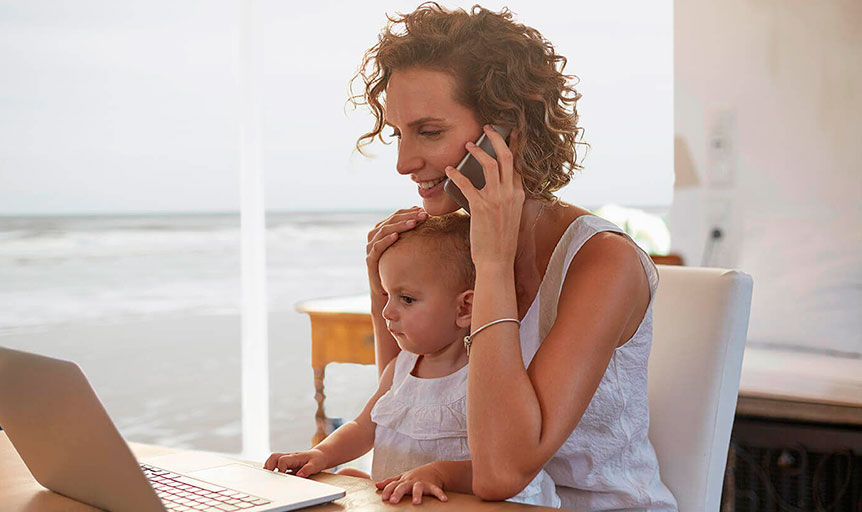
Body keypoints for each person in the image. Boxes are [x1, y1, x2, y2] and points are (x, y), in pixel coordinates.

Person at [354, 3, 678, 511]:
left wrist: (494, 263)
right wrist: (381, 288)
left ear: (506, 132)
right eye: (399, 133)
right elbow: (402, 409)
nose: (403, 162)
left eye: (430, 131)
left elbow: (503, 471)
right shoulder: (451, 247)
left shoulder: (603, 263)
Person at [264, 213, 561, 507]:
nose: (387, 312)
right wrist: (321, 455)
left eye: (406, 299)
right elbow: (363, 427)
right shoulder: (402, 367)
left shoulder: (487, 376)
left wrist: (440, 473)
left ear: (465, 308)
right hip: (404, 505)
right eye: (386, 295)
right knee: (347, 483)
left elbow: (505, 466)